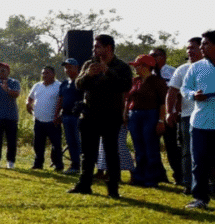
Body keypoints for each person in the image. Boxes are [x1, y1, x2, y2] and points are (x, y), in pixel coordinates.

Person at [68, 34, 133, 199]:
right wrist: (88, 75)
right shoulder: (89, 64)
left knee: (112, 153)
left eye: (97, 46)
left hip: (111, 117)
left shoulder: (121, 67)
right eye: (94, 47)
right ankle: (84, 185)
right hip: (89, 115)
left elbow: (125, 86)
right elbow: (78, 85)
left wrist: (108, 71)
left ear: (108, 48)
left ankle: (113, 189)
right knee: (87, 154)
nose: (94, 50)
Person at [125, 54, 168, 188]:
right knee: (138, 148)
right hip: (134, 115)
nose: (135, 68)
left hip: (151, 114)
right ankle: (139, 177)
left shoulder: (157, 82)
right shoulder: (134, 81)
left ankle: (151, 178)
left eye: (137, 66)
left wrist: (161, 120)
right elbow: (128, 99)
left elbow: (163, 103)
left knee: (151, 147)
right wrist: (125, 114)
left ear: (146, 66)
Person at [167, 37, 204, 195]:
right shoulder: (182, 69)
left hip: (209, 115)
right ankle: (188, 183)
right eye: (188, 48)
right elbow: (172, 91)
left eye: (193, 48)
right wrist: (169, 111)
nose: (190, 51)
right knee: (188, 151)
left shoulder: (210, 67)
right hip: (188, 116)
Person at [183, 31, 215, 210]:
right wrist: (193, 95)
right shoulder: (196, 67)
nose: (202, 47)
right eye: (201, 44)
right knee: (200, 162)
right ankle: (200, 198)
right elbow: (184, 89)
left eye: (206, 44)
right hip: (201, 123)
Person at [150, 47, 182, 185]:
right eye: (150, 55)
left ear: (163, 57)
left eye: (154, 55)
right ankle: (159, 175)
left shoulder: (171, 71)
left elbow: (177, 93)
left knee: (172, 147)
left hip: (169, 115)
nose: (152, 58)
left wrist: (174, 112)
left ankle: (180, 176)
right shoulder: (150, 73)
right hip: (152, 114)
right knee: (153, 147)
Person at [26, 66, 63, 171]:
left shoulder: (59, 86)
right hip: (38, 121)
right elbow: (30, 98)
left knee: (56, 145)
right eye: (43, 73)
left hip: (53, 121)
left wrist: (60, 115)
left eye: (47, 73)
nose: (44, 75)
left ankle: (58, 165)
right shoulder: (37, 86)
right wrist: (28, 104)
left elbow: (62, 101)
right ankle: (38, 164)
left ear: (53, 74)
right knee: (38, 145)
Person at [57, 58, 84, 174]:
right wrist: (57, 114)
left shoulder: (82, 81)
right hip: (66, 116)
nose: (67, 69)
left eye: (70, 67)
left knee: (80, 142)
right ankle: (75, 166)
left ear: (76, 67)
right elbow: (60, 99)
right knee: (71, 142)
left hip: (78, 116)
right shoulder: (64, 83)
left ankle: (84, 166)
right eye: (66, 67)